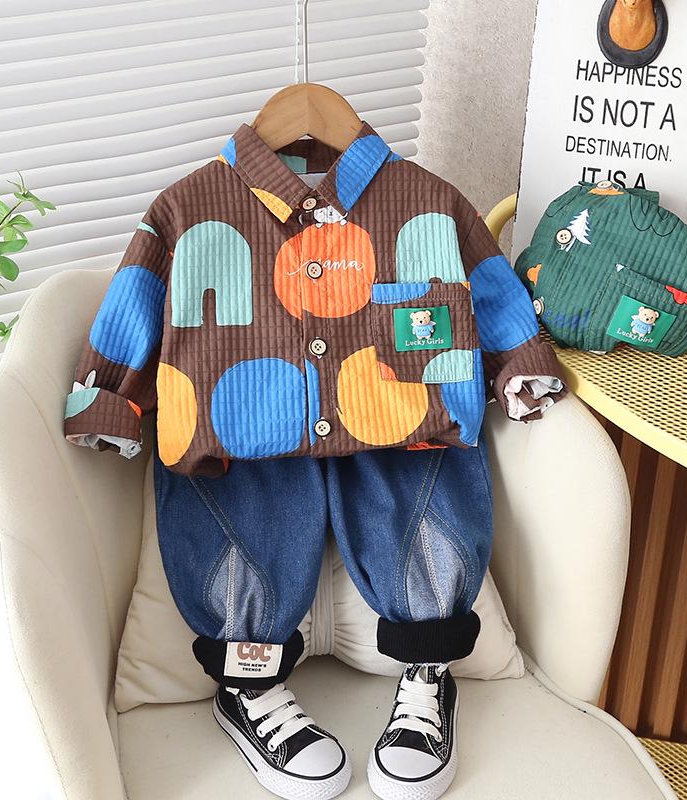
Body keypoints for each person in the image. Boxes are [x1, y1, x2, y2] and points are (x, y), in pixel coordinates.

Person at [63, 119, 565, 800]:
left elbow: (491, 287)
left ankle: (429, 674)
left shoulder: (429, 202)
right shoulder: (185, 209)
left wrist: (520, 362)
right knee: (244, 490)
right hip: (245, 434)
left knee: (419, 476)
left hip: (396, 429)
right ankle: (249, 687)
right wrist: (110, 396)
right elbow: (137, 297)